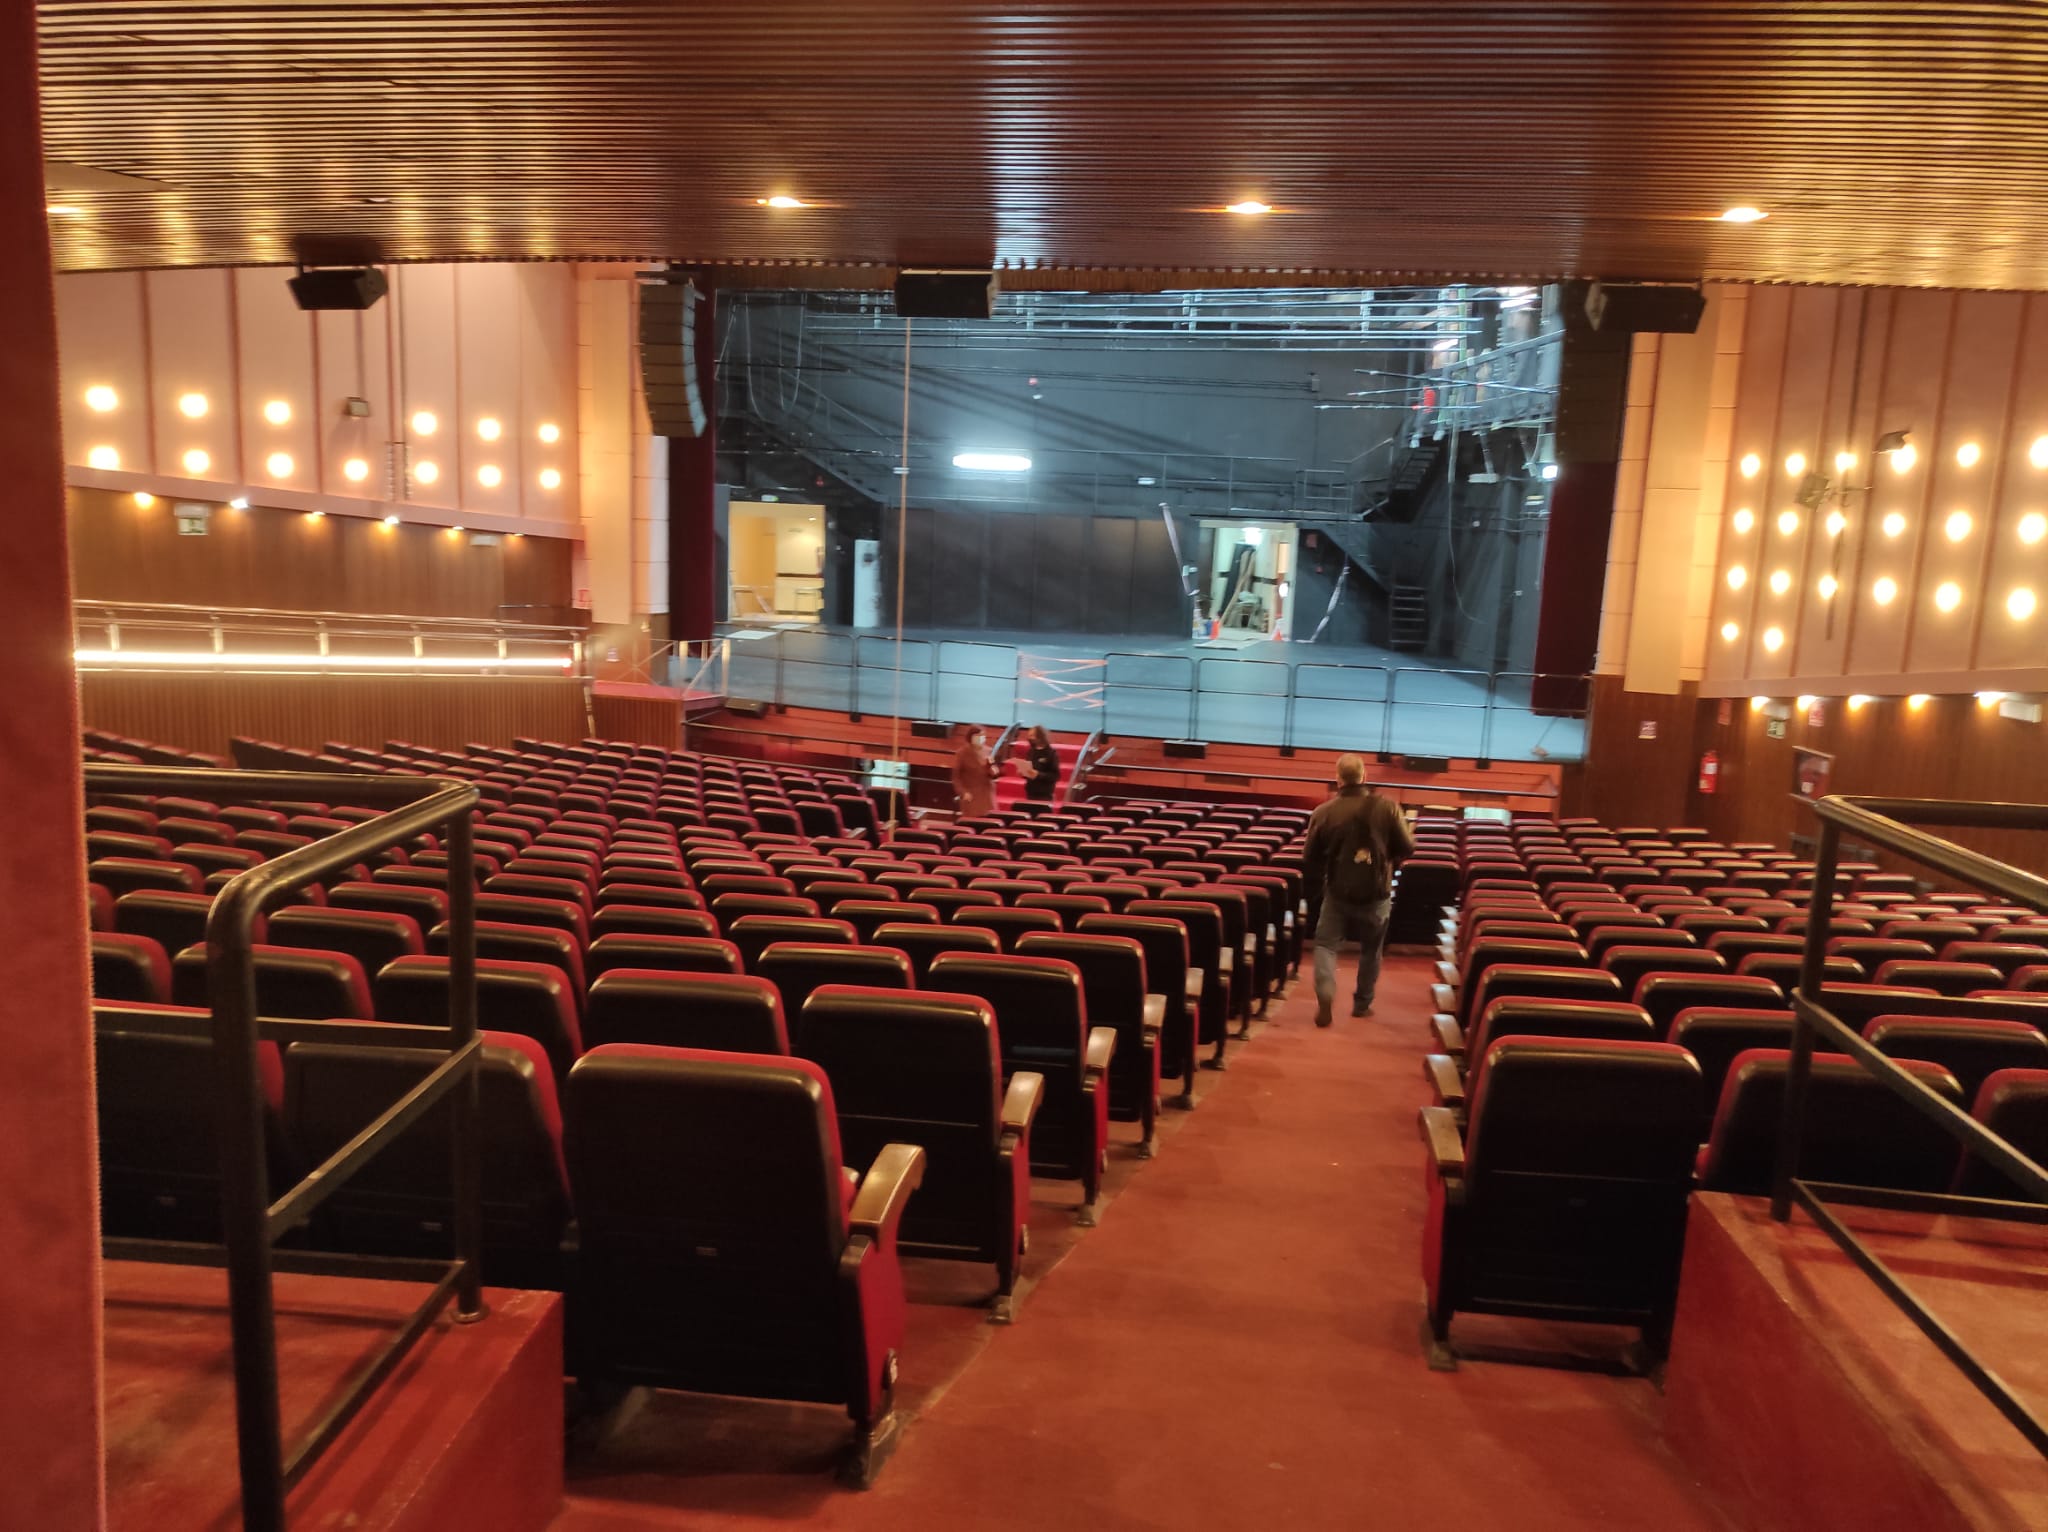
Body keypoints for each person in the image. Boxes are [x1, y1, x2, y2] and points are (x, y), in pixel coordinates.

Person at [1303, 753, 1414, 1028]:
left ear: (1338, 779)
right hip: (1376, 893)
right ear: (1364, 777)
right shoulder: (1388, 808)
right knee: (1371, 949)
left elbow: (1310, 857)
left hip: (1338, 892)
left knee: (1326, 945)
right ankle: (1362, 1005)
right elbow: (1408, 847)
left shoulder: (1323, 812)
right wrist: (1387, 860)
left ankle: (1326, 995)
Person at [952, 723, 998, 819]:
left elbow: (994, 773)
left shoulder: (989, 751)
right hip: (971, 795)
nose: (981, 738)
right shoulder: (962, 753)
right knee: (972, 822)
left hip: (986, 794)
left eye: (983, 736)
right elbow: (956, 777)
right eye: (978, 735)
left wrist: (991, 768)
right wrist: (963, 792)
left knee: (988, 821)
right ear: (971, 737)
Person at [1019, 725, 1061, 805]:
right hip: (1031, 790)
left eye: (1032, 736)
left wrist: (1039, 775)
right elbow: (1029, 768)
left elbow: (1055, 776)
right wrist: (1023, 772)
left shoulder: (1051, 753)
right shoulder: (1031, 751)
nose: (1029, 738)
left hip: (1044, 793)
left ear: (1040, 736)